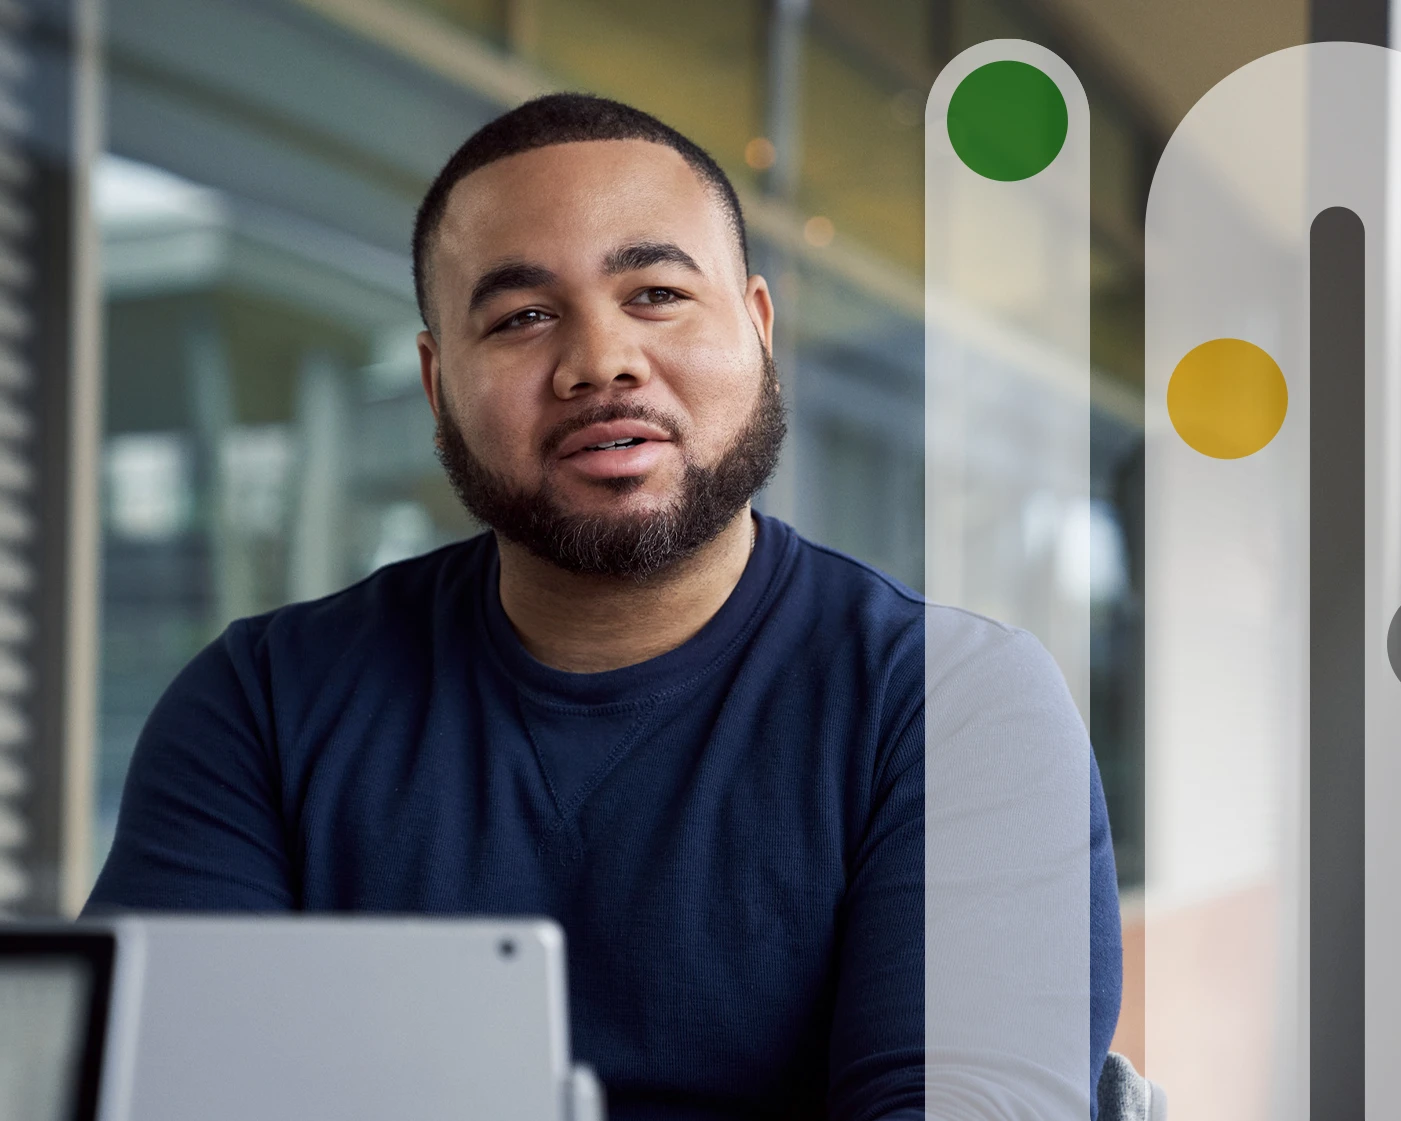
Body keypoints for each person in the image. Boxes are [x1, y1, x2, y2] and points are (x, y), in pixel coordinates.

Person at [87, 93, 1121, 1119]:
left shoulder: (951, 704)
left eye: (657, 293)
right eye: (522, 316)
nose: (599, 362)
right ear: (437, 382)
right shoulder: (265, 702)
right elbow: (159, 1087)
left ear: (756, 327)